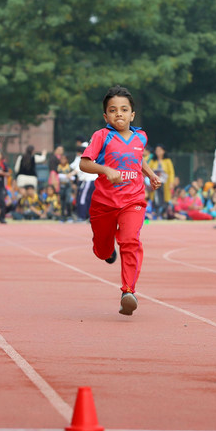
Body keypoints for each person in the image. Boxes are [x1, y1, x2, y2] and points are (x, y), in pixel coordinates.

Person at [77, 85, 161, 317]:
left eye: (124, 109)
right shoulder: (101, 136)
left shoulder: (140, 136)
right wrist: (105, 170)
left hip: (132, 201)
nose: (119, 114)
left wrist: (151, 174)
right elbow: (84, 163)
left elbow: (138, 158)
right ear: (106, 116)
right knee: (102, 250)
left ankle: (128, 292)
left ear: (132, 114)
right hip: (103, 204)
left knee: (130, 240)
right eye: (113, 110)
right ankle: (106, 253)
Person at [147, 144, 175, 220]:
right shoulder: (153, 161)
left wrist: (171, 183)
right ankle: (156, 214)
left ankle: (163, 214)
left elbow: (171, 172)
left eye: (160, 150)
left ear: (163, 151)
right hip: (156, 182)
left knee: (165, 198)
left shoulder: (167, 161)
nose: (158, 152)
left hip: (165, 183)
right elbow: (148, 169)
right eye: (157, 150)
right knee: (156, 198)